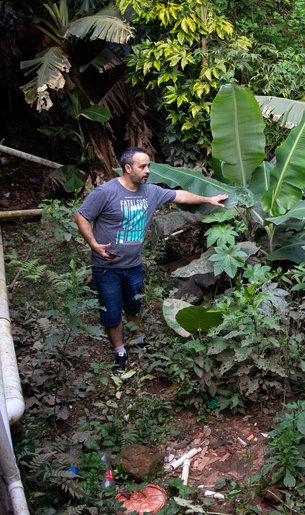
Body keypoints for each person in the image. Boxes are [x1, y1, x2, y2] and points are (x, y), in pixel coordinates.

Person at [75, 147, 228, 371]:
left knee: (133, 306)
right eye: (142, 166)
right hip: (107, 267)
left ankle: (138, 339)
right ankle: (120, 352)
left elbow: (180, 195)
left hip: (134, 265)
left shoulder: (151, 192)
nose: (148, 171)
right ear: (128, 168)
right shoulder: (106, 192)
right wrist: (93, 244)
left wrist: (208, 198)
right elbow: (82, 215)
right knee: (111, 311)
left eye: (149, 166)